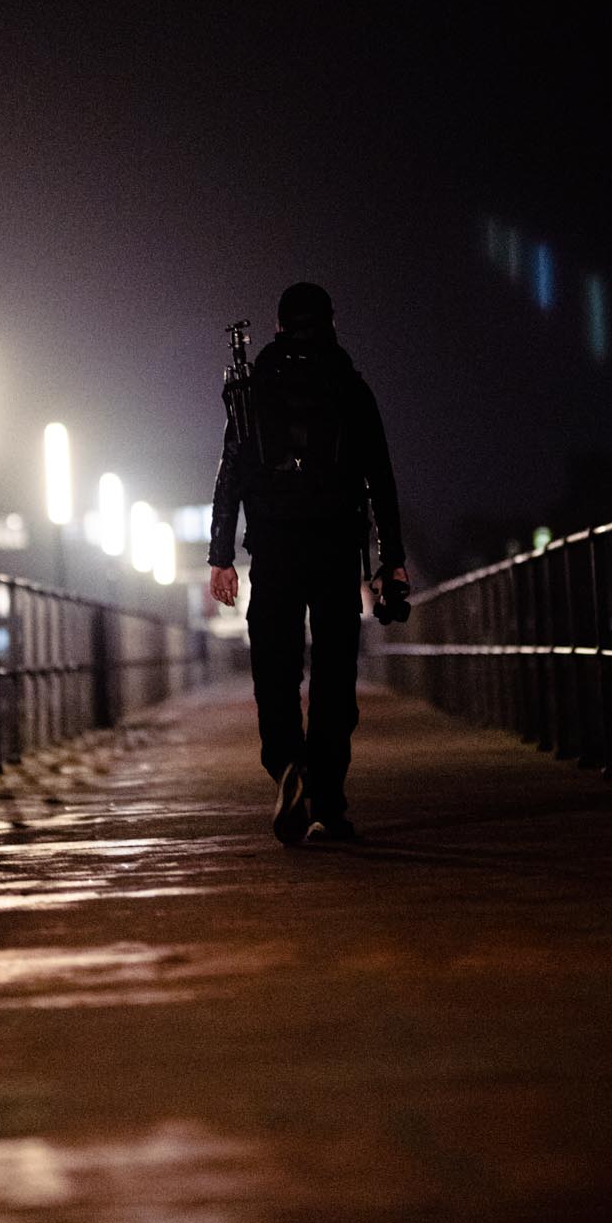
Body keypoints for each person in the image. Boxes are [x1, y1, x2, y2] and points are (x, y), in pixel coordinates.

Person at [209, 282, 408, 845]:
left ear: (276, 328)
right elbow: (381, 482)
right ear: (330, 323)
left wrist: (220, 557)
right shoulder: (351, 387)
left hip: (272, 548)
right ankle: (328, 800)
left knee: (274, 666)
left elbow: (231, 474)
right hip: (335, 549)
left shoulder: (253, 392)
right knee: (334, 674)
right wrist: (391, 561)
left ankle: (286, 764)